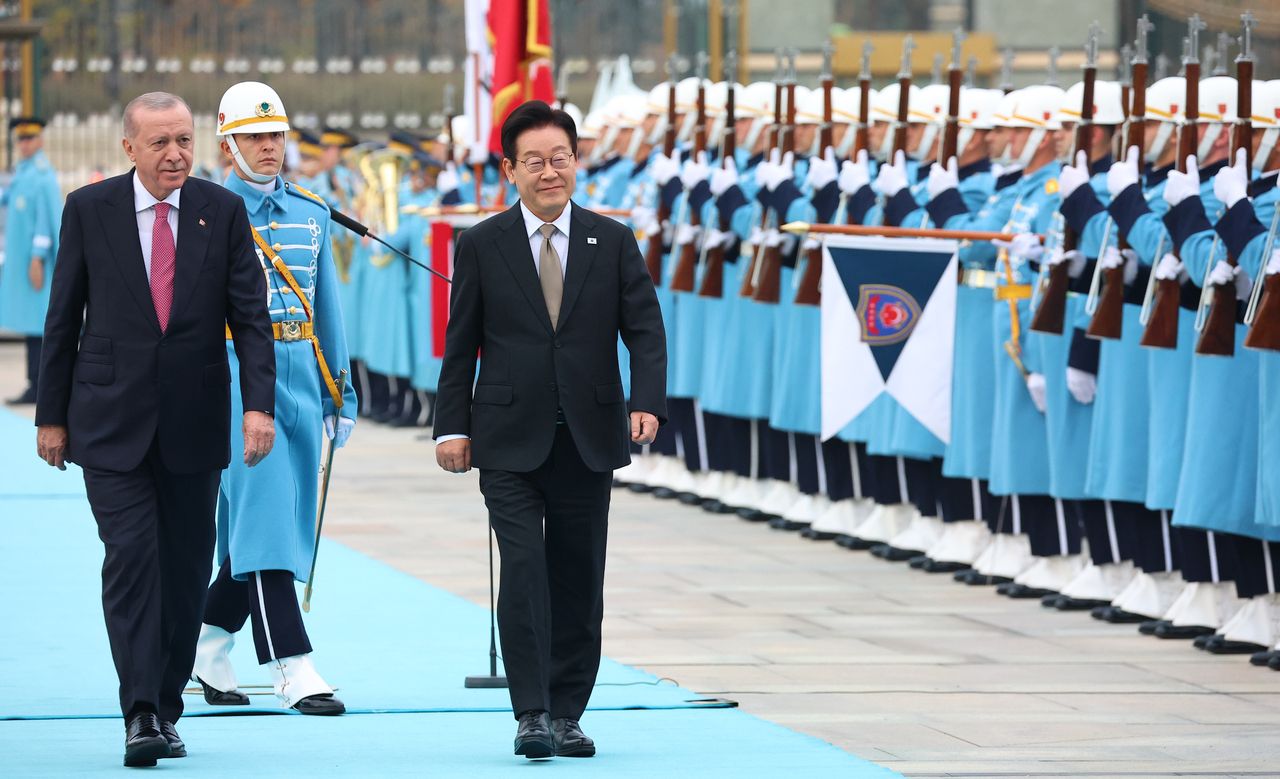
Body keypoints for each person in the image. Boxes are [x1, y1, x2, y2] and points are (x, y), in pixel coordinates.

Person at [34, 91, 276, 767]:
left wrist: (258, 405)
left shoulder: (220, 211)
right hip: (109, 421)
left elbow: (250, 316)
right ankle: (139, 710)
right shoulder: (89, 209)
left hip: (194, 422)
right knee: (133, 560)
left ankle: (166, 706)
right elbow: (63, 316)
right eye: (160, 142)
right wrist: (51, 415)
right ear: (129, 148)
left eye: (184, 140)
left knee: (186, 569)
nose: (175, 154)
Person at [433, 100, 667, 759]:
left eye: (559, 158)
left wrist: (647, 401)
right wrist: (450, 427)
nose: (548, 172)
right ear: (510, 170)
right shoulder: (481, 243)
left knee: (578, 577)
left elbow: (646, 330)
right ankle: (530, 711)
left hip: (587, 437)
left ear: (576, 162)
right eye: (533, 161)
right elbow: (461, 343)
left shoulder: (611, 240)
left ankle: (568, 713)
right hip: (507, 438)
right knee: (524, 570)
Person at [190, 81, 357, 717]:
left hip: (302, 377)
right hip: (237, 377)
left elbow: (325, 305)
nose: (269, 146)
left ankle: (205, 644)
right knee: (264, 518)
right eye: (254, 136)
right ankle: (292, 663)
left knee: (278, 521)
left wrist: (340, 389)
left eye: (276, 135)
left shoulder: (311, 211)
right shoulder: (205, 210)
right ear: (227, 145)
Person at [0, 117, 62, 404]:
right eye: (20, 139)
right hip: (23, 264)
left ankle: (39, 386)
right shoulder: (23, 173)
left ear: (40, 140)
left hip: (36, 266)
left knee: (39, 325)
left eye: (29, 139)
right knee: (32, 325)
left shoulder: (42, 176)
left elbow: (44, 222)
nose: (24, 144)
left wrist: (37, 258)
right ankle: (34, 383)